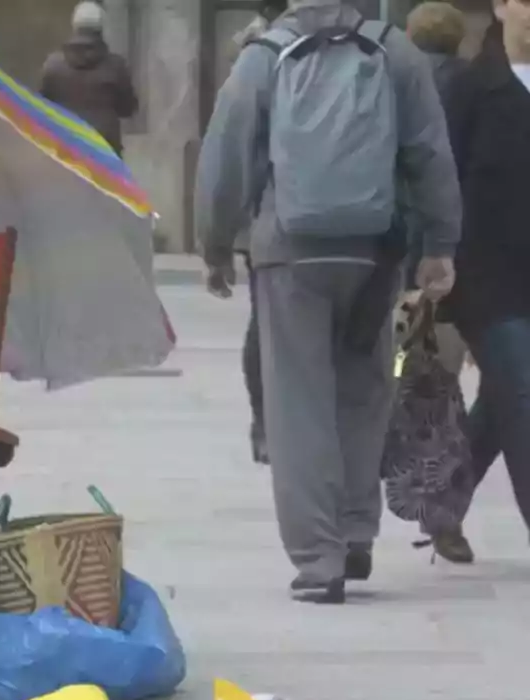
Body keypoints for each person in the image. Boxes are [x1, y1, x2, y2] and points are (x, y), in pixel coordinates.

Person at [195, 0, 460, 603]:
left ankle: (319, 560)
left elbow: (224, 159)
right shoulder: (395, 51)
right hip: (375, 251)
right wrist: (439, 244)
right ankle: (356, 529)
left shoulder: (264, 56)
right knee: (366, 391)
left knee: (298, 406)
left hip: (291, 252)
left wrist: (214, 245)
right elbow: (430, 153)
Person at [440, 3, 530, 554]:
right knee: (521, 390)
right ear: (501, 5)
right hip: (487, 275)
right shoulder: (470, 87)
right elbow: (439, 179)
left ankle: (446, 504)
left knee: (504, 399)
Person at [395, 0, 475, 563]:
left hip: (392, 259)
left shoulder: (391, 84)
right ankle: (444, 514)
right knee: (441, 393)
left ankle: (357, 517)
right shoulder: (476, 86)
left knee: (387, 387)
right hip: (455, 261)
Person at [229, 0, 289, 465]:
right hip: (314, 217)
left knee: (264, 319)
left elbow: (227, 157)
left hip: (262, 221)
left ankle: (266, 425)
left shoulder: (248, 66)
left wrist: (217, 237)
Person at [39, 1, 139, 157]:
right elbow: (128, 108)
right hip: (104, 148)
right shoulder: (115, 66)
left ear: (74, 27)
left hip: (66, 144)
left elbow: (42, 106)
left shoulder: (52, 65)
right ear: (101, 28)